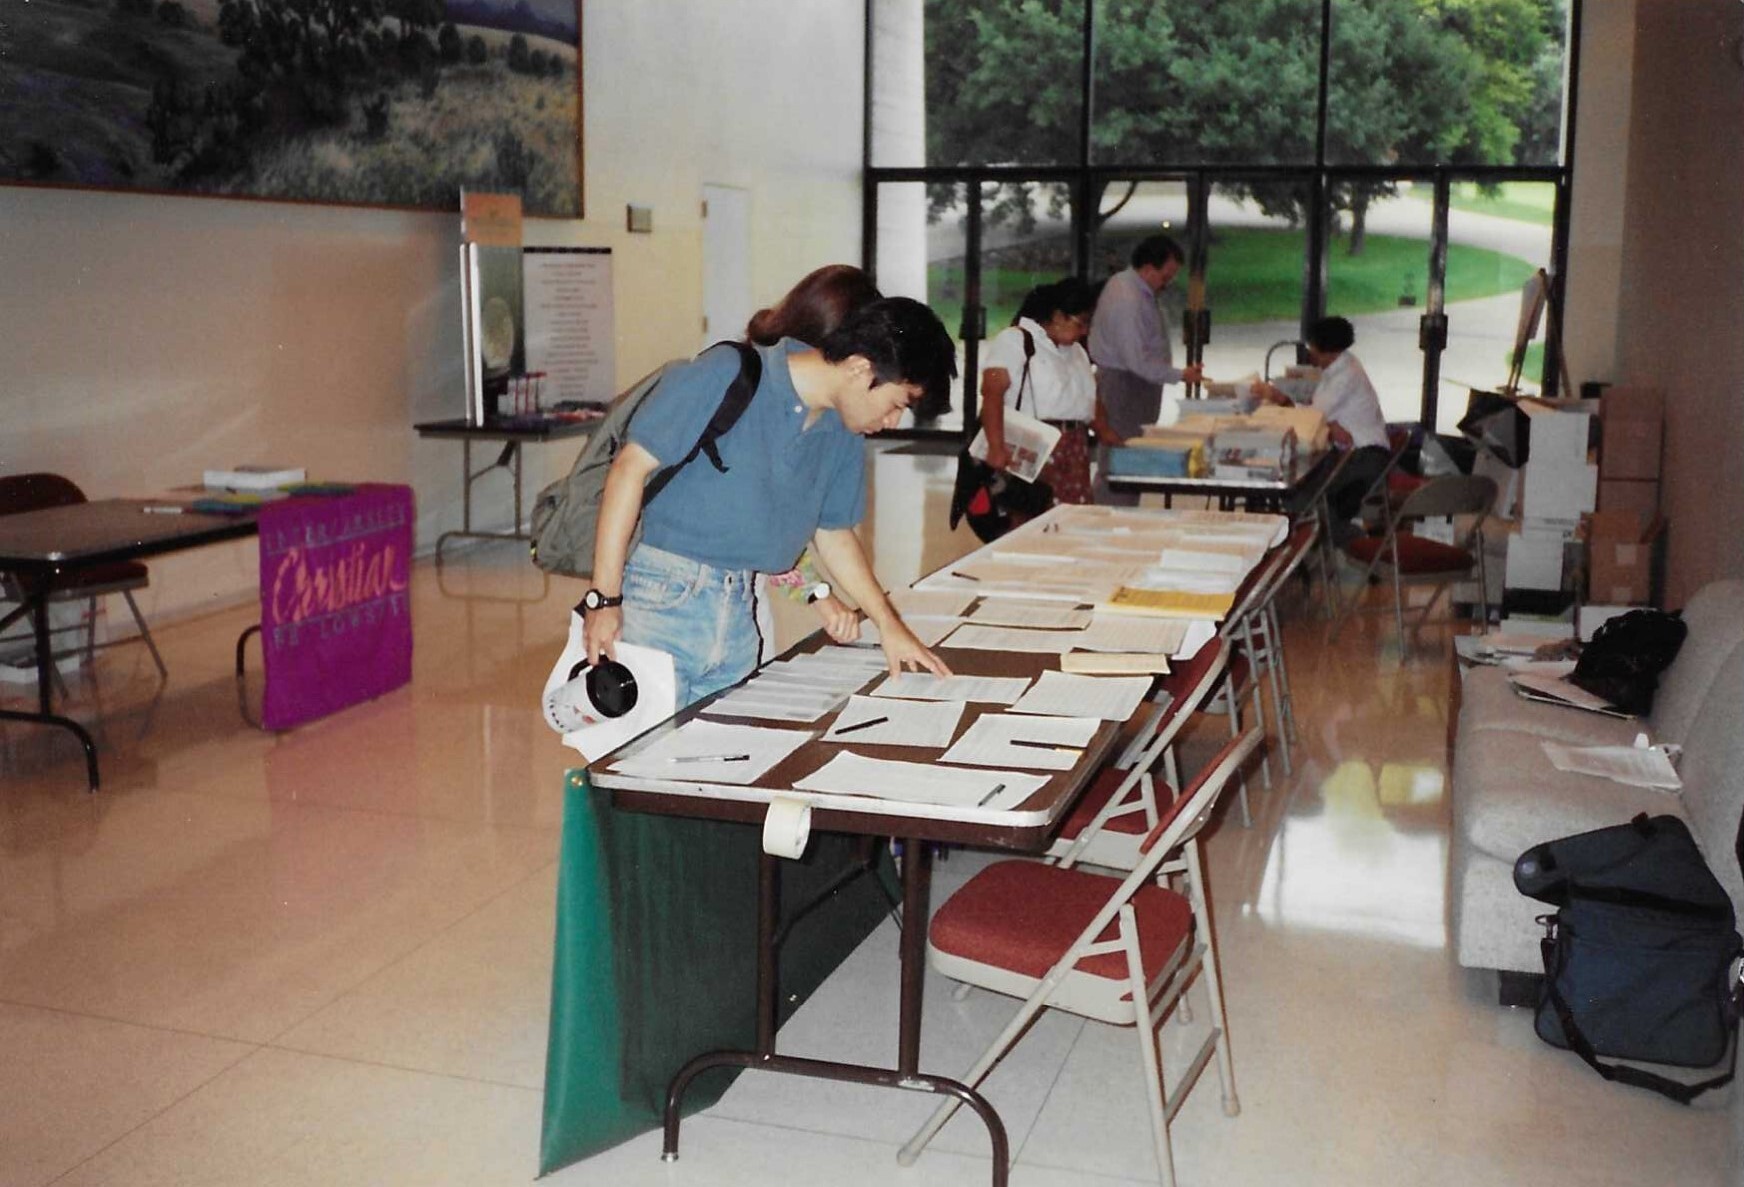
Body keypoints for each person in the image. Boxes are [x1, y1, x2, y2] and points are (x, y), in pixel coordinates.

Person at [584, 297, 958, 708]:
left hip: (739, 609)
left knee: (721, 760)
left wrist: (889, 623)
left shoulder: (842, 427)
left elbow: (834, 532)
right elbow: (628, 470)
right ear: (859, 369)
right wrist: (604, 599)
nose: (892, 423)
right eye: (896, 405)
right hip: (660, 598)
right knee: (640, 761)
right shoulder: (727, 372)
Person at [743, 265, 881, 653]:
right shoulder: (756, 395)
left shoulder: (823, 409)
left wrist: (828, 596)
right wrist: (820, 594)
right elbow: (757, 521)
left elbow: (819, 528)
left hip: (742, 597)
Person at [1087, 234, 1205, 504]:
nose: (1168, 283)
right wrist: (1179, 375)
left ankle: (1121, 515)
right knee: (1122, 461)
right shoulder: (1127, 298)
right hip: (1125, 386)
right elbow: (1135, 360)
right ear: (1148, 268)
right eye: (1166, 276)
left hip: (1135, 384)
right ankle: (1111, 521)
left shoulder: (1137, 289)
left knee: (1131, 461)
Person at [977, 277, 1112, 507]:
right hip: (1032, 444)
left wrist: (1110, 435)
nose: (1085, 331)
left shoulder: (1077, 352)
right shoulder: (1015, 340)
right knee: (1032, 514)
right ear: (1058, 316)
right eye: (1081, 323)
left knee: (1072, 516)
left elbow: (1090, 402)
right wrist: (996, 448)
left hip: (1073, 447)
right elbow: (991, 394)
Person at [1252, 315, 1392, 536]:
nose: (1311, 352)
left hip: (1364, 457)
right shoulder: (1343, 366)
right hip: (1353, 451)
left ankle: (1342, 540)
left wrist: (1280, 399)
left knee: (1300, 495)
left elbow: (1312, 417)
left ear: (1328, 351)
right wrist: (1328, 423)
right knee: (1304, 487)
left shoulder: (1345, 376)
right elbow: (1321, 415)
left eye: (1313, 347)